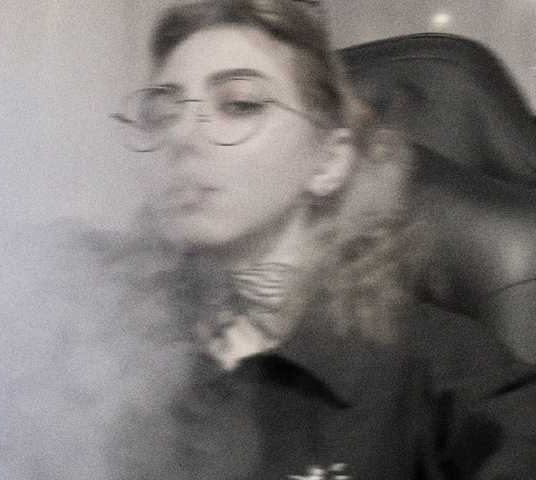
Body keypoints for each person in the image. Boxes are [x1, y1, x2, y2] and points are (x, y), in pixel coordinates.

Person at [110, 0, 536, 478]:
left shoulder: (441, 368)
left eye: (239, 104)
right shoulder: (113, 347)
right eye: (164, 112)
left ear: (329, 161)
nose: (183, 136)